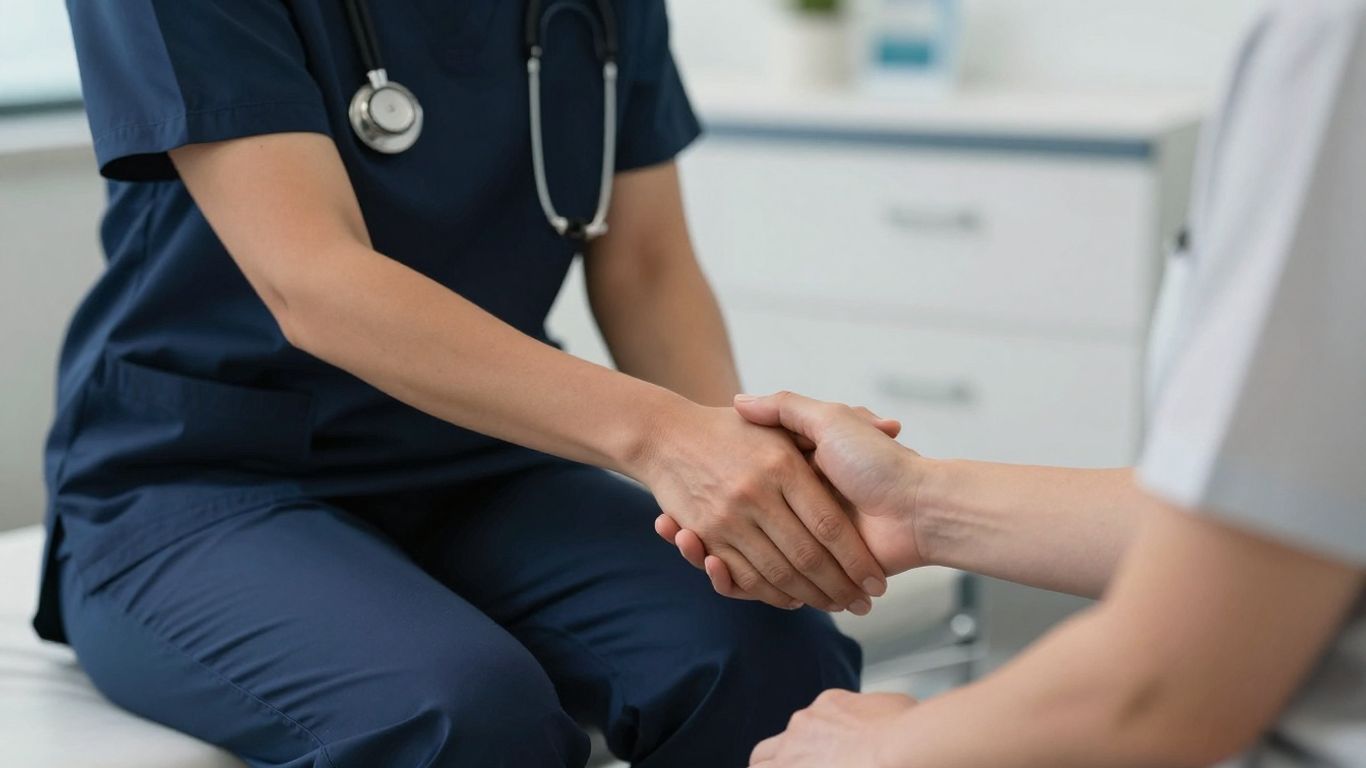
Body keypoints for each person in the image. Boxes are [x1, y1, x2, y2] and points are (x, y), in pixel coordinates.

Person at [37, 2, 891, 766]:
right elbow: (314, 282)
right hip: (208, 476)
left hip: (484, 462)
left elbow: (646, 265)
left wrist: (739, 473)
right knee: (462, 718)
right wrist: (665, 439)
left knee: (774, 655)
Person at [660, 1, 1366, 764]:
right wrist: (919, 504)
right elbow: (1289, 521)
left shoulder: (1335, 52)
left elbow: (1161, 692)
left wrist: (887, 749)